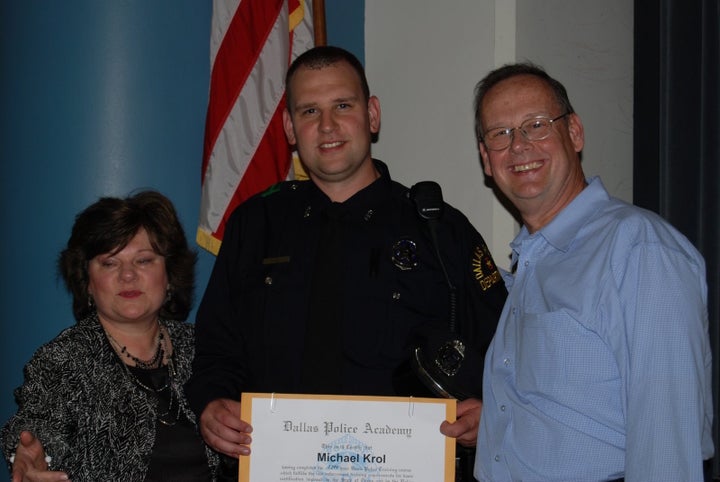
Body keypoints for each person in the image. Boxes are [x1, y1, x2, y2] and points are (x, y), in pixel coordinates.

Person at [185, 45, 507, 481]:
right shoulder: (254, 225)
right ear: (289, 128)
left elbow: (506, 351)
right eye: (309, 111)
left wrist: (488, 412)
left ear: (372, 115)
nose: (328, 126)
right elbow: (216, 349)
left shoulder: (439, 229)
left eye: (342, 105)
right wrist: (212, 402)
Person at [472, 62, 714, 481]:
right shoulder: (530, 261)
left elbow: (667, 444)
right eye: (500, 134)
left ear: (575, 133)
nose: (519, 146)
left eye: (537, 124)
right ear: (486, 160)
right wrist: (496, 421)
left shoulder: (639, 249)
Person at [1, 191, 219, 481]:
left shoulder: (205, 348)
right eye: (109, 263)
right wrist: (31, 453)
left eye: (144, 261)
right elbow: (38, 420)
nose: (127, 275)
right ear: (87, 281)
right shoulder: (64, 360)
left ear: (169, 276)